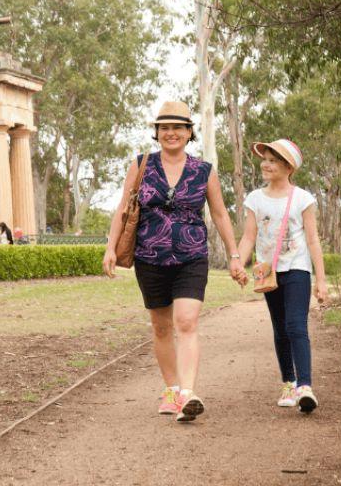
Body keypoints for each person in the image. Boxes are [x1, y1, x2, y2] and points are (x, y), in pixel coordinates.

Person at [102, 101, 240, 423]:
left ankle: (188, 394)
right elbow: (124, 209)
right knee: (161, 327)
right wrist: (111, 248)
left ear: (189, 132)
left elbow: (219, 214)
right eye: (165, 127)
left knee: (187, 322)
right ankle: (172, 389)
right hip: (149, 257)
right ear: (157, 132)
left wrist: (234, 255)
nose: (171, 133)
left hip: (192, 256)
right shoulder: (141, 164)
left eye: (178, 127)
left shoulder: (204, 171)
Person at [230, 139, 327, 414]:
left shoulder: (302, 198)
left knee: (297, 325)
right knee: (280, 328)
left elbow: (313, 240)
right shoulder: (255, 199)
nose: (266, 164)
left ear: (288, 166)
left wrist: (320, 280)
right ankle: (288, 382)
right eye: (265, 159)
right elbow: (249, 236)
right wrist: (238, 261)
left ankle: (305, 386)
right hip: (267, 272)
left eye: (273, 160)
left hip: (297, 268)